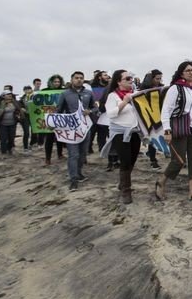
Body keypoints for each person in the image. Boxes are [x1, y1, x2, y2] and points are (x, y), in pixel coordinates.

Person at [155, 61, 192, 202]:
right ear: (181, 73)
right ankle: (162, 181)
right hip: (180, 127)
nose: (191, 72)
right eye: (188, 70)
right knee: (178, 160)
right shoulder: (176, 88)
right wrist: (167, 130)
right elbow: (166, 110)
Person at [103, 70, 142, 204]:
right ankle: (126, 190)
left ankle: (122, 182)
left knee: (133, 159)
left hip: (134, 132)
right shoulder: (113, 96)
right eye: (127, 78)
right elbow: (111, 114)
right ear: (119, 81)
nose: (131, 80)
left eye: (131, 78)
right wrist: (124, 102)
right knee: (125, 161)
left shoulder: (135, 95)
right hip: (120, 133)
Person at [56, 71, 97, 190]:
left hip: (85, 128)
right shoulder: (65, 94)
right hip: (71, 129)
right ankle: (73, 179)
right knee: (73, 154)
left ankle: (78, 173)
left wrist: (90, 111)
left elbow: (95, 107)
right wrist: (54, 122)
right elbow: (59, 110)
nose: (79, 80)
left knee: (83, 154)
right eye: (76, 78)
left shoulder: (89, 93)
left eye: (81, 78)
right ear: (72, 79)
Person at [42, 74, 66, 165]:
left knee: (60, 137)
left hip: (60, 117)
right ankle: (48, 158)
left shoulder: (63, 91)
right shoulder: (44, 91)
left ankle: (60, 154)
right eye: (55, 81)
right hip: (49, 118)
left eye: (58, 82)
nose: (57, 83)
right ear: (51, 82)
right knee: (49, 138)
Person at [19, 85, 34, 151]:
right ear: (24, 91)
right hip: (25, 117)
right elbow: (19, 105)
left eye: (29, 89)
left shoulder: (35, 97)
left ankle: (31, 144)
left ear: (31, 90)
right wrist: (22, 108)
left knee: (34, 132)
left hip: (33, 116)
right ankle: (25, 147)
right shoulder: (22, 98)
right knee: (26, 132)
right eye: (26, 89)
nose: (27, 91)